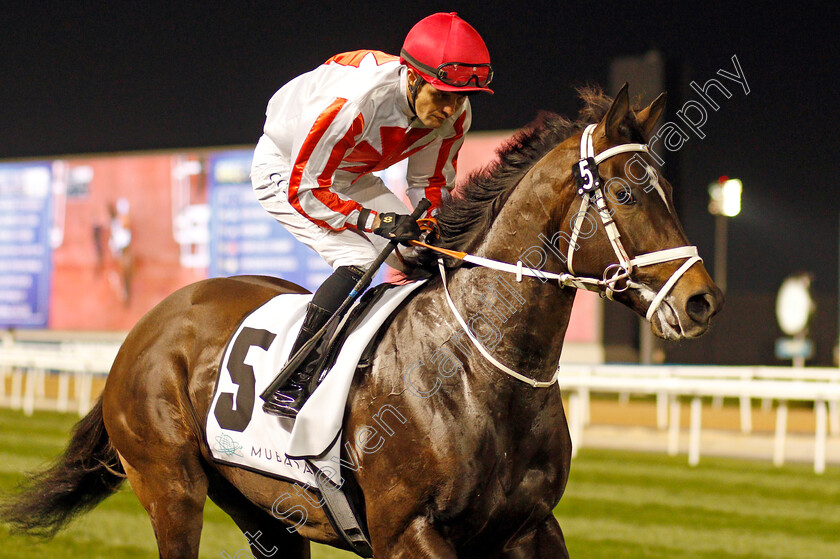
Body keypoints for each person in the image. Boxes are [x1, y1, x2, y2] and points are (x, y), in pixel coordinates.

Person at [251, 12, 494, 417]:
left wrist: (431, 226)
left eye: (460, 97)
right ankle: (291, 379)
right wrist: (373, 221)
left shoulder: (455, 116)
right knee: (360, 258)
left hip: (349, 174)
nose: (451, 109)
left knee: (427, 254)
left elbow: (428, 184)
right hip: (289, 168)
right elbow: (306, 189)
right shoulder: (352, 104)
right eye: (442, 95)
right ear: (413, 77)